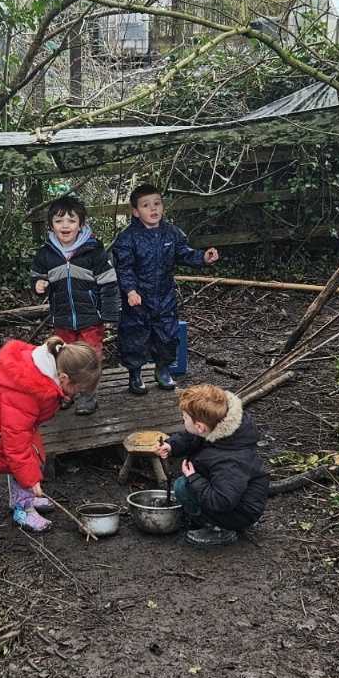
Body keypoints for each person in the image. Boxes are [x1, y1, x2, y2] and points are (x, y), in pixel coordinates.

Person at [0, 335, 103, 532]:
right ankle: (22, 511)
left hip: (10, 428)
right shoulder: (25, 391)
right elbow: (16, 444)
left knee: (35, 459)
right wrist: (30, 480)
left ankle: (24, 498)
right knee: (23, 465)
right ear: (63, 377)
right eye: (76, 389)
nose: (75, 394)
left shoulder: (46, 367)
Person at [111, 183, 219, 395]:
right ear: (136, 211)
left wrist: (203, 258)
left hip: (164, 295)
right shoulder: (128, 238)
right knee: (135, 335)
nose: (153, 209)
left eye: (157, 203)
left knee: (167, 333)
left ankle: (163, 369)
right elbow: (124, 268)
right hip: (138, 298)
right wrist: (130, 290)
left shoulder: (171, 233)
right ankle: (135, 374)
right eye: (146, 205)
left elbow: (184, 253)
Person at [29, 192, 119, 415]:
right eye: (59, 221)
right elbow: (37, 276)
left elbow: (109, 283)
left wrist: (109, 314)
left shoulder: (93, 250)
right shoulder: (46, 253)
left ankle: (87, 397)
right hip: (62, 318)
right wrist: (39, 285)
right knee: (63, 357)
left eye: (71, 220)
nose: (65, 225)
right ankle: (66, 393)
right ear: (51, 226)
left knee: (89, 358)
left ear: (80, 224)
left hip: (91, 318)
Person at [157, 383, 269, 546]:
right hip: (229, 492)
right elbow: (192, 437)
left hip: (238, 512)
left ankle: (221, 529)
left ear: (200, 426)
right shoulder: (222, 427)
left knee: (182, 487)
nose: (183, 420)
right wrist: (172, 445)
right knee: (186, 484)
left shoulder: (229, 462)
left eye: (185, 418)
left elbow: (222, 501)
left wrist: (194, 478)